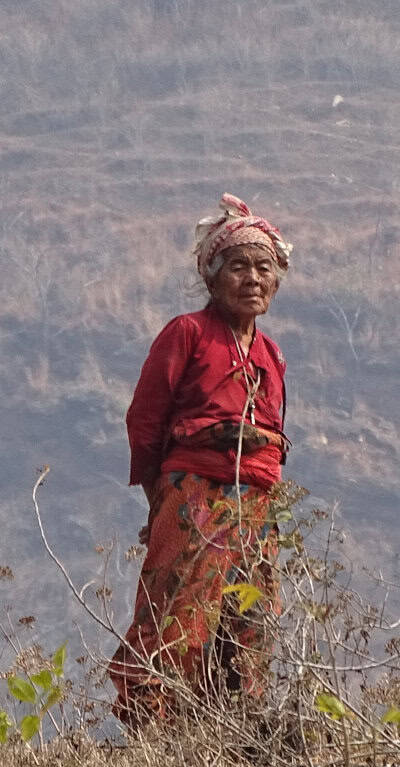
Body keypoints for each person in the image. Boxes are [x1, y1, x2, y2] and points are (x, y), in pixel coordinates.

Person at [109, 193, 292, 727]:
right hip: (194, 495)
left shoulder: (271, 354)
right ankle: (154, 727)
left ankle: (225, 730)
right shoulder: (187, 333)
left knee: (249, 619)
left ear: (277, 281)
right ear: (212, 278)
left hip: (257, 507)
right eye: (238, 266)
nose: (252, 279)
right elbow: (145, 421)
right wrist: (161, 499)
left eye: (264, 268)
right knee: (178, 612)